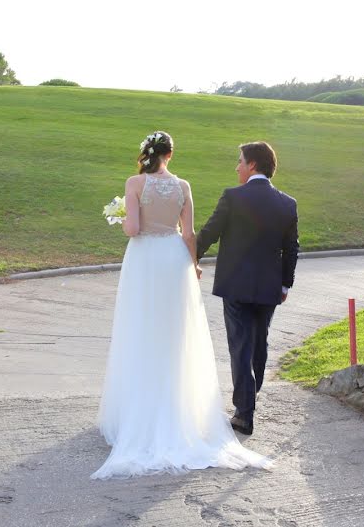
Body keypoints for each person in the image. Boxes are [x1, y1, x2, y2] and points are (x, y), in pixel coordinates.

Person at [92, 131, 272, 479]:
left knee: (140, 329)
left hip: (144, 259)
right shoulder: (183, 186)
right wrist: (194, 264)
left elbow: (131, 229)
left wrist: (122, 216)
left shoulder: (134, 182)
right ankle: (180, 413)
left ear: (146, 153)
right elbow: (188, 233)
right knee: (175, 335)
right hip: (174, 260)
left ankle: (137, 414)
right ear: (170, 154)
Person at [196, 142, 299, 436]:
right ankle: (249, 400)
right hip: (269, 289)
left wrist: (187, 259)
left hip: (236, 285)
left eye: (240, 161)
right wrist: (285, 284)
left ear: (252, 164)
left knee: (240, 345)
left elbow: (209, 234)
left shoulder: (233, 197)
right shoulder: (287, 203)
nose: (237, 166)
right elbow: (291, 249)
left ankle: (244, 413)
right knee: (258, 344)